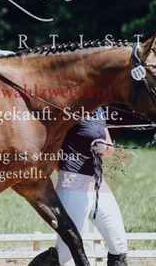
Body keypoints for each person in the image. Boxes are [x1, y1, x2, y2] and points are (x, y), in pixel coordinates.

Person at [55, 107, 129, 266]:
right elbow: (52, 145)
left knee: (119, 245)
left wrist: (105, 147)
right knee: (64, 255)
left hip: (99, 186)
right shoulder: (69, 110)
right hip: (73, 185)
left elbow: (109, 150)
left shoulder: (99, 110)